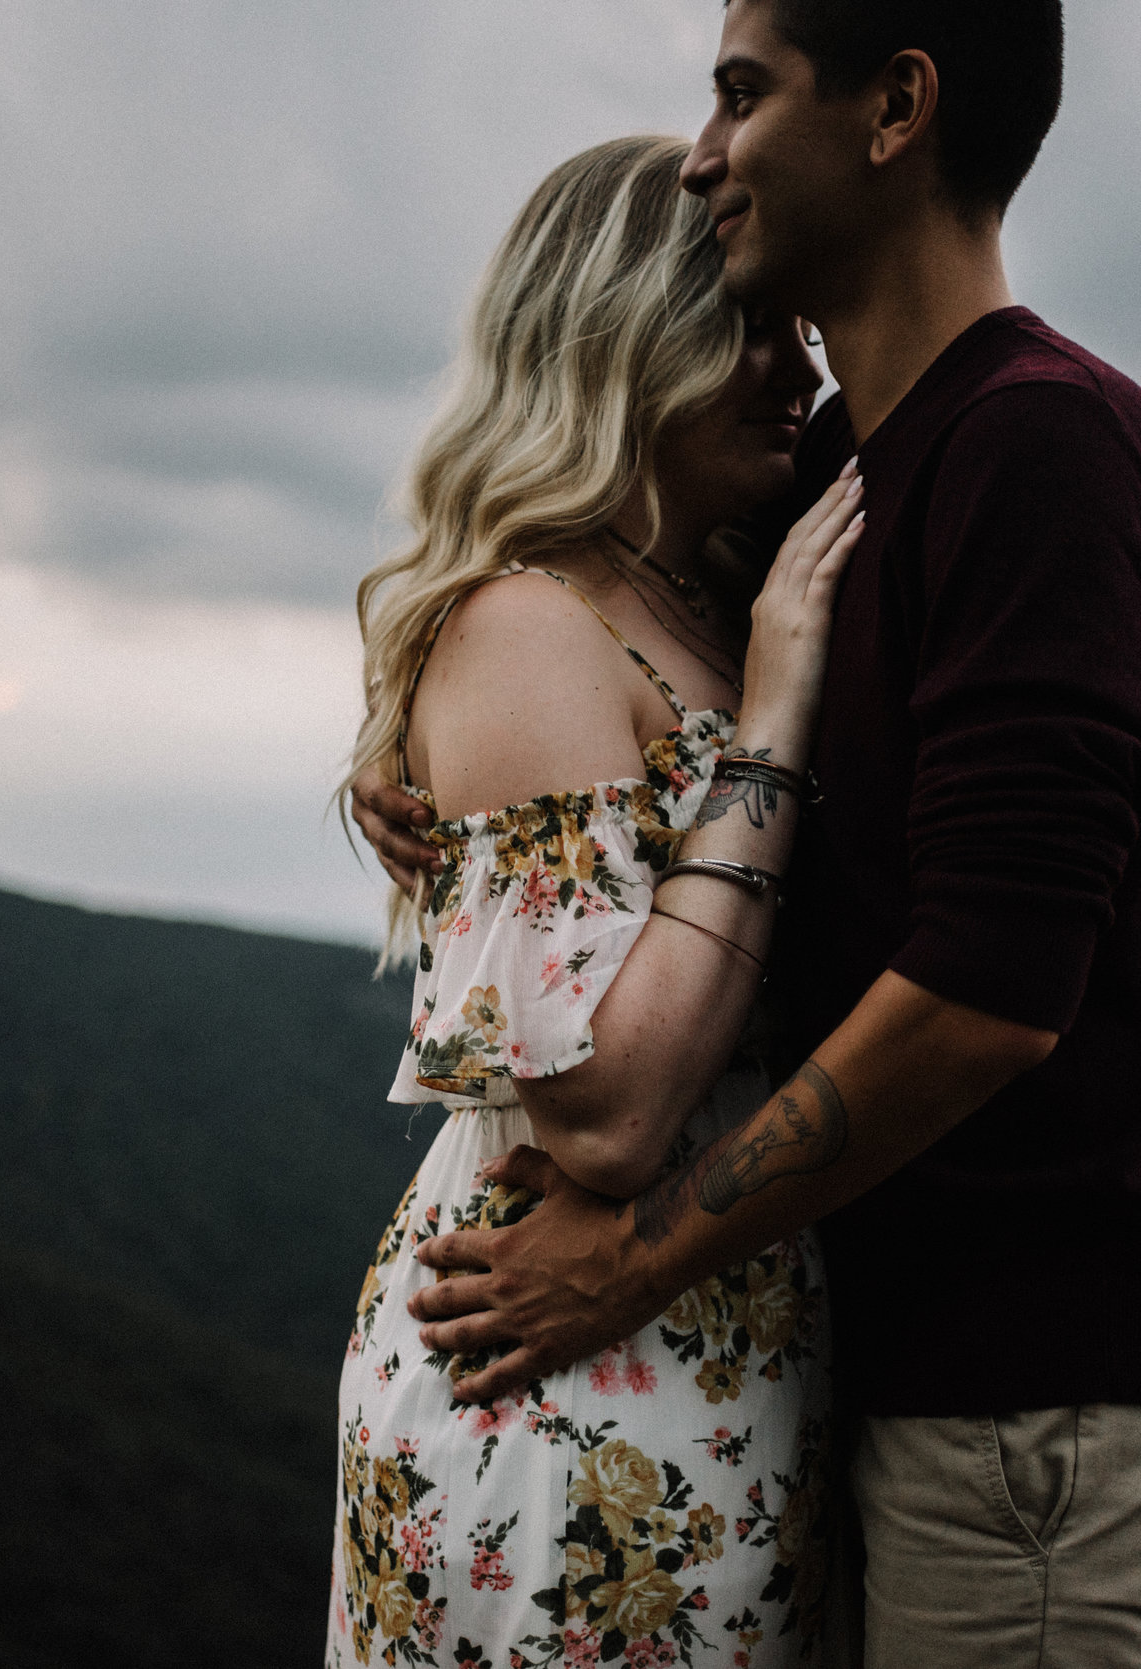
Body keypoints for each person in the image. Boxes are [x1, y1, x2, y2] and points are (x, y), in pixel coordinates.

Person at [352, 5, 1141, 1666]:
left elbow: (993, 988)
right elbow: (603, 645)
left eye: (738, 92)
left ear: (895, 107)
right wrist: (410, 746)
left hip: (1042, 1374)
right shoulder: (848, 467)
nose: (705, 151)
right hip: (873, 1355)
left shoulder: (1038, 441)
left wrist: (638, 1255)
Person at [330, 134, 869, 1668]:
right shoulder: (528, 621)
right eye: (748, 328)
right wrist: (772, 720)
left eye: (796, 328)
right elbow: (612, 1115)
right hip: (561, 1377)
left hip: (717, 1332)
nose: (795, 370)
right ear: (623, 340)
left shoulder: (704, 593)